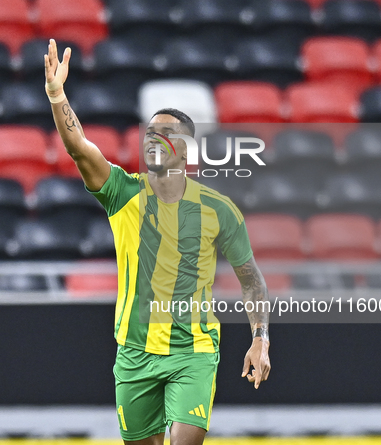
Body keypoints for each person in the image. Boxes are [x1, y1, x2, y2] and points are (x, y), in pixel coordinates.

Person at [44, 39, 271, 445]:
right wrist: (59, 97)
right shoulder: (122, 193)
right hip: (134, 354)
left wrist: (260, 339)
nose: (153, 139)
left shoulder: (218, 211)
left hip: (194, 351)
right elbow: (78, 148)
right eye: (149, 132)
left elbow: (251, 278)